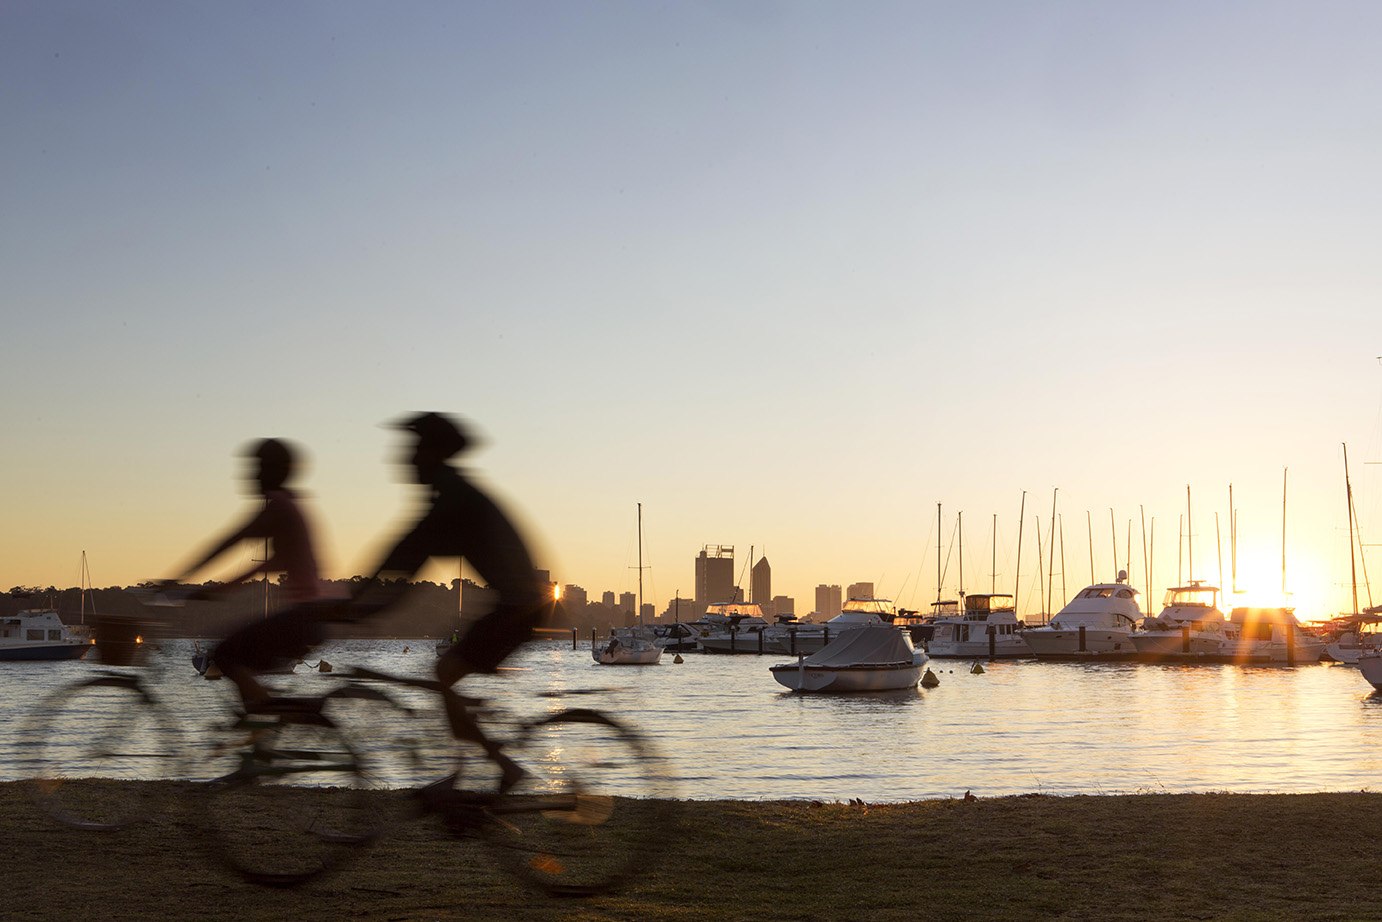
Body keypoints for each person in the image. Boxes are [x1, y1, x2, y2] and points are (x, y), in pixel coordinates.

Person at [364, 412, 548, 790]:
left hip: (518, 608)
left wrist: (361, 605)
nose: (406, 458)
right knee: (447, 677)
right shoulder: (455, 491)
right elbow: (405, 553)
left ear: (432, 453)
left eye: (414, 449)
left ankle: (500, 768)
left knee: (444, 674)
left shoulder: (454, 498)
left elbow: (406, 556)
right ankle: (470, 767)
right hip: (516, 605)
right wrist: (365, 598)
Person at [165, 438, 329, 708]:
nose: (251, 475)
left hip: (303, 618)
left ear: (270, 471)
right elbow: (262, 567)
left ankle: (270, 718)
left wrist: (179, 578)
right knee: (240, 665)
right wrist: (219, 589)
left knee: (224, 655)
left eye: (257, 468)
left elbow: (230, 540)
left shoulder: (278, 504)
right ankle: (261, 724)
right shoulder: (289, 504)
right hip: (312, 619)